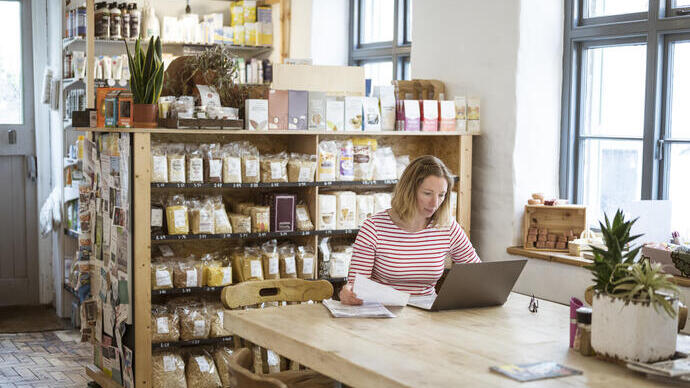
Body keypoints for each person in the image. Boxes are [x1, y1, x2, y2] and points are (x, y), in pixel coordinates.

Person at [339, 155, 481, 305]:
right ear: (408, 190)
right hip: (384, 314)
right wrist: (349, 293)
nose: (435, 203)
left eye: (441, 195)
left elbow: (477, 273)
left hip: (429, 314)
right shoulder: (373, 228)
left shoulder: (447, 226)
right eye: (427, 193)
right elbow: (356, 286)